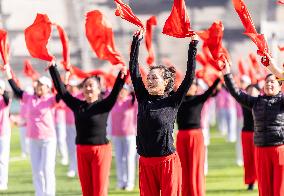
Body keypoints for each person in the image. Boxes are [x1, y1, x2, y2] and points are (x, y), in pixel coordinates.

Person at [129, 30, 198, 196]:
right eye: (149, 78)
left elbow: (189, 77)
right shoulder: (143, 98)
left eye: (155, 78)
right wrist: (136, 42)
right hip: (145, 162)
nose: (150, 81)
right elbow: (133, 71)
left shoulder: (172, 100)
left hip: (167, 161)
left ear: (166, 82)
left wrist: (193, 46)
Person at [48, 61, 127, 196]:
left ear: (98, 89)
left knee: (99, 190)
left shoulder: (104, 105)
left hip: (100, 151)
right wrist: (53, 68)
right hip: (82, 150)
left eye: (91, 86)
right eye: (85, 86)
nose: (88, 88)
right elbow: (62, 91)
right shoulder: (78, 105)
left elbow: (116, 89)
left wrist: (122, 73)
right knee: (87, 191)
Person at [222, 59, 284, 196]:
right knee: (265, 188)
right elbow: (236, 93)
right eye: (267, 82)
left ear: (280, 86)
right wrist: (227, 74)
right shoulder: (256, 102)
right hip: (261, 149)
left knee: (280, 188)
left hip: (279, 149)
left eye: (273, 81)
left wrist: (275, 69)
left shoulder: (282, 101)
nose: (269, 84)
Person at [4, 65, 58, 196]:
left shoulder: (51, 100)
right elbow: (17, 91)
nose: (39, 87)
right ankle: (39, 193)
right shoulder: (29, 97)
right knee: (36, 170)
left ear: (47, 88)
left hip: (48, 139)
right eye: (38, 84)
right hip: (33, 139)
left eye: (42, 85)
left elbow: (62, 92)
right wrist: (8, 74)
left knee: (47, 169)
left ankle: (49, 193)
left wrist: (55, 71)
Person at [176, 77, 220, 196]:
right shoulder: (177, 100)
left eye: (192, 85)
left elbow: (211, 90)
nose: (190, 87)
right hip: (181, 135)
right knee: (183, 166)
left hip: (195, 135)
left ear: (196, 88)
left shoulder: (198, 99)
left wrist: (218, 78)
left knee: (196, 165)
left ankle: (197, 192)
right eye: (188, 85)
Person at [111, 84, 137, 191]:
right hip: (116, 135)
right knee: (119, 159)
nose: (121, 92)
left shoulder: (130, 101)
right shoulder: (114, 102)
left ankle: (129, 183)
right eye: (120, 90)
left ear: (127, 91)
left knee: (129, 158)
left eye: (124, 90)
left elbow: (137, 96)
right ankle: (121, 181)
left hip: (129, 135)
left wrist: (133, 86)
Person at [240, 84, 260, 191]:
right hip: (246, 134)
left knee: (258, 159)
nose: (251, 92)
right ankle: (250, 182)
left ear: (258, 92)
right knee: (248, 159)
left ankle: (260, 180)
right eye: (249, 90)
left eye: (253, 90)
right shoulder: (244, 102)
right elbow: (234, 91)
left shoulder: (262, 102)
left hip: (259, 134)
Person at [64, 78, 82, 178]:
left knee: (79, 148)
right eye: (70, 86)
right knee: (71, 148)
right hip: (68, 126)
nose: (71, 88)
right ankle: (72, 168)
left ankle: (79, 168)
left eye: (73, 86)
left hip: (79, 125)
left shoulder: (81, 96)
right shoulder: (67, 96)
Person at [0, 80, 11, 191]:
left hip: (3, 133)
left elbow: (7, 98)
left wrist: (3, 92)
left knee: (2, 159)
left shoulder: (5, 100)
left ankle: (3, 183)